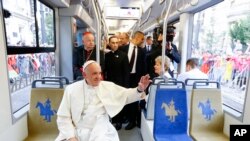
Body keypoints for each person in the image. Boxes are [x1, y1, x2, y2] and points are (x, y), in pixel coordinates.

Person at [56, 60, 151, 141]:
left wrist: (139, 89)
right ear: (84, 75)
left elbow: (126, 95)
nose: (99, 77)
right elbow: (63, 116)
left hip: (102, 130)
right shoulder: (71, 89)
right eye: (94, 73)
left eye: (99, 73)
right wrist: (71, 137)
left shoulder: (107, 86)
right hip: (77, 130)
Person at [119, 31, 146, 130]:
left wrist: (143, 81)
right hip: (124, 77)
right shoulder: (122, 49)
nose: (143, 41)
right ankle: (122, 118)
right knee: (124, 97)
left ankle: (132, 121)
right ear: (137, 37)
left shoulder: (142, 51)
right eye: (142, 38)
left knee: (134, 99)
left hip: (136, 78)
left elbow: (143, 67)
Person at [104, 36, 130, 130]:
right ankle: (113, 120)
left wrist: (126, 86)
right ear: (109, 44)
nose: (115, 45)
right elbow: (105, 70)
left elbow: (126, 72)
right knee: (111, 102)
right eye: (113, 43)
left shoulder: (123, 55)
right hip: (110, 83)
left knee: (119, 103)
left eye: (116, 43)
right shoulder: (107, 56)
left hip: (120, 84)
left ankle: (119, 121)